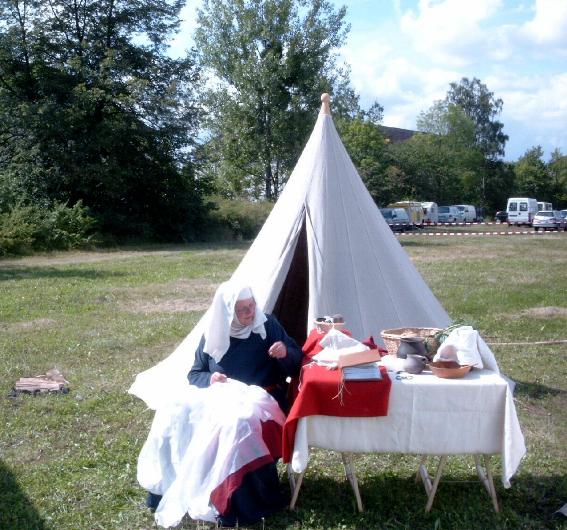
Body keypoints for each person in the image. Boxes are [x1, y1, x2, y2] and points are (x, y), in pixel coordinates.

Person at [143, 282, 302, 527]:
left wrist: (285, 353)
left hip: (262, 398)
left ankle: (237, 498)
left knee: (236, 423)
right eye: (243, 310)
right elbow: (195, 374)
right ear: (228, 313)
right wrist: (211, 378)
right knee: (172, 412)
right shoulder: (214, 332)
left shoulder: (266, 325)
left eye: (252, 306)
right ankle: (175, 485)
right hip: (219, 397)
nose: (251, 313)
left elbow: (297, 360)